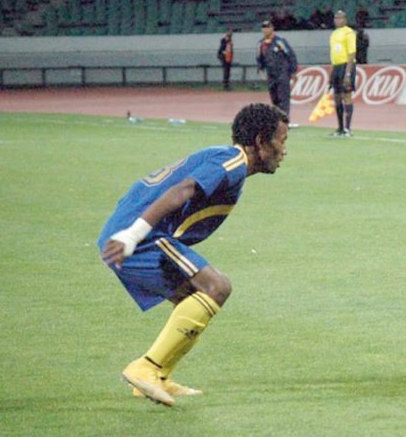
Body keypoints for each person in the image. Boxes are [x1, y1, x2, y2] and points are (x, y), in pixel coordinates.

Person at [98, 103, 289, 407]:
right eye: (282, 140)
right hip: (140, 236)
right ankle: (146, 368)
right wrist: (132, 234)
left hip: (130, 231)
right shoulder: (232, 161)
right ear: (260, 141)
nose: (284, 150)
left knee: (197, 299)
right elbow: (184, 189)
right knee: (217, 287)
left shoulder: (225, 160)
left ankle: (156, 377)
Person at [256, 19, 299, 127]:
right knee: (274, 98)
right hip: (271, 74)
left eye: (268, 27)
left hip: (282, 72)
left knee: (283, 97)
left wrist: (293, 71)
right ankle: (276, 121)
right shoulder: (261, 44)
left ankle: (284, 122)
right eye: (264, 27)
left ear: (272, 28)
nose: (266, 30)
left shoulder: (279, 41)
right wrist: (261, 70)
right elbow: (259, 58)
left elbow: (290, 55)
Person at [329, 10, 357, 137]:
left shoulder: (349, 32)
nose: (337, 20)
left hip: (346, 66)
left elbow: (351, 53)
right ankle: (339, 127)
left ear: (345, 19)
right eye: (336, 18)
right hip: (337, 66)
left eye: (340, 18)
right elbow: (334, 54)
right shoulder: (334, 34)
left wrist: (348, 73)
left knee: (347, 96)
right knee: (337, 97)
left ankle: (347, 128)